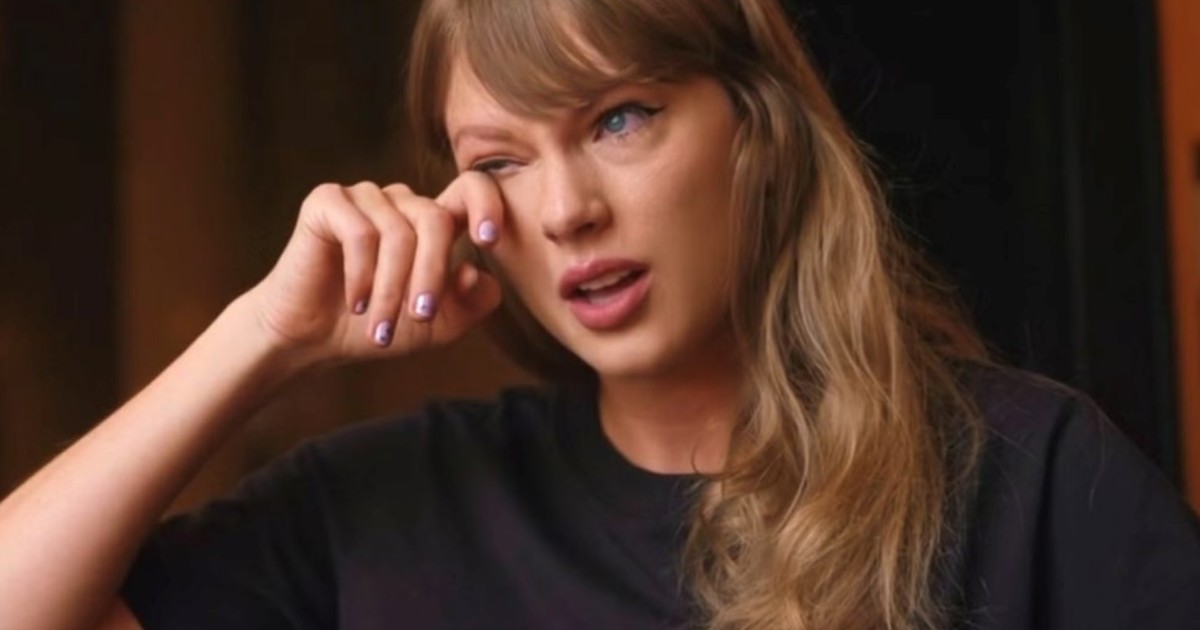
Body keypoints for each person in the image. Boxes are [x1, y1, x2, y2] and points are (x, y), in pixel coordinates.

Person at [2, 0, 1199, 628]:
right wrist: (261, 337)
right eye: (501, 162)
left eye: (619, 118)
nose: (568, 209)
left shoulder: (1027, 477)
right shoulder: (384, 510)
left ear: (758, 128)